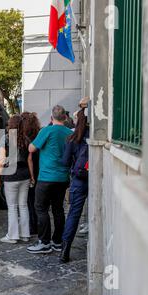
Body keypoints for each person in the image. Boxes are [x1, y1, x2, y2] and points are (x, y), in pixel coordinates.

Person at [27, 105, 73, 254]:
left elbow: (31, 149)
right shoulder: (69, 133)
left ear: (51, 118)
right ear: (65, 118)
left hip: (46, 177)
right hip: (63, 177)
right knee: (58, 209)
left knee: (41, 208)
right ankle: (57, 242)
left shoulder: (46, 130)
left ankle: (44, 242)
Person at [0, 115, 35, 244]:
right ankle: (25, 234)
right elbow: (29, 160)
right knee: (23, 205)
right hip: (25, 175)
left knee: (12, 207)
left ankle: (12, 236)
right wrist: (32, 176)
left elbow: (1, 161)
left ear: (10, 125)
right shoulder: (26, 139)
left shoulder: (5, 139)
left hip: (11, 175)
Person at [60, 100, 90, 263]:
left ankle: (65, 250)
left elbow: (64, 162)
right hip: (94, 178)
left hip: (78, 180)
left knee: (73, 214)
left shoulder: (71, 139)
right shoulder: (93, 135)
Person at [20, 112, 41, 235]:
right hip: (40, 169)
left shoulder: (25, 139)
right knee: (37, 201)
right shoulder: (38, 135)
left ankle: (33, 226)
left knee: (29, 201)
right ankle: (37, 225)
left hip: (30, 171)